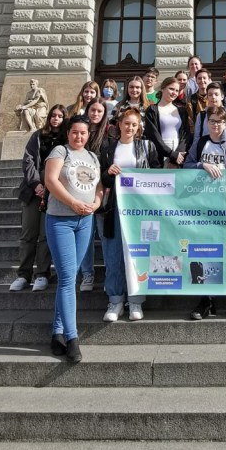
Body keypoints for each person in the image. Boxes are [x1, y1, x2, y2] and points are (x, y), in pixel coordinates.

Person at [184, 105, 226, 320]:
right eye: (212, 121)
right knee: (205, 251)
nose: (216, 125)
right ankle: (207, 300)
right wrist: (202, 165)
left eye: (220, 122)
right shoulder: (201, 142)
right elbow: (186, 166)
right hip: (203, 207)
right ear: (207, 123)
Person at [44, 115, 103, 363]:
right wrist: (73, 203)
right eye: (75, 132)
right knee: (68, 278)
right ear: (68, 133)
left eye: (83, 133)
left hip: (85, 221)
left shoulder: (92, 157)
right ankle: (72, 337)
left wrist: (96, 204)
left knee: (71, 276)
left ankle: (57, 331)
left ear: (89, 135)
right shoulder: (60, 151)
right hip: (61, 220)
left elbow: (99, 187)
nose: (79, 136)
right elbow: (50, 180)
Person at [98, 106, 161, 321]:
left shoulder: (147, 147)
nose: (130, 128)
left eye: (134, 124)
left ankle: (136, 300)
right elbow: (102, 179)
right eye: (127, 124)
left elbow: (157, 175)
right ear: (119, 124)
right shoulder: (108, 149)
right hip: (114, 207)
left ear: (139, 127)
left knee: (138, 254)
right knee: (114, 254)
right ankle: (115, 301)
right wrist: (108, 173)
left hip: (140, 209)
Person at [10, 104, 66, 293]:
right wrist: (36, 184)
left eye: (60, 116)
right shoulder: (38, 135)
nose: (56, 119)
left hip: (55, 191)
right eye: (53, 115)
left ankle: (42, 274)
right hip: (33, 191)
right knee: (28, 234)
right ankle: (23, 275)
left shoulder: (66, 138)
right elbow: (29, 161)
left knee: (45, 235)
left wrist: (51, 186)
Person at [78, 100, 110, 292]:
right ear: (87, 111)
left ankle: (109, 274)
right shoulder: (81, 132)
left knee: (104, 235)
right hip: (82, 189)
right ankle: (87, 274)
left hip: (103, 189)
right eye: (93, 110)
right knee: (86, 237)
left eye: (99, 111)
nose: (95, 114)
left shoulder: (109, 133)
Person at [144, 76, 192, 166]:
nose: (174, 93)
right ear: (163, 88)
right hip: (160, 154)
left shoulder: (182, 111)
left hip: (178, 155)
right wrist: (171, 154)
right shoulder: (152, 110)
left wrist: (178, 154)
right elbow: (153, 136)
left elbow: (186, 134)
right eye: (171, 89)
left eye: (177, 90)